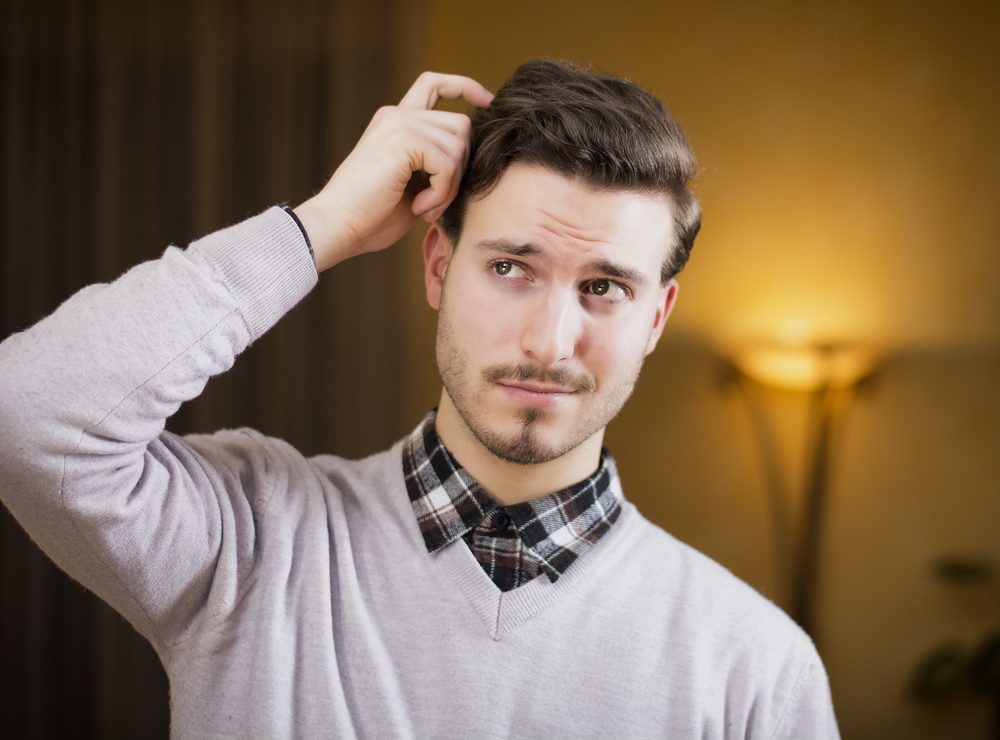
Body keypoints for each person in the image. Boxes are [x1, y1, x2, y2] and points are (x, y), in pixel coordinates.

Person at [0, 60, 839, 737]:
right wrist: (320, 225)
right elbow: (25, 413)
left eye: (605, 287)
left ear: (656, 315)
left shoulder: (757, 668)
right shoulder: (250, 541)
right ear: (438, 266)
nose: (550, 342)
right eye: (510, 268)